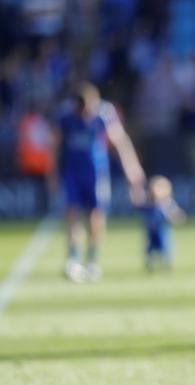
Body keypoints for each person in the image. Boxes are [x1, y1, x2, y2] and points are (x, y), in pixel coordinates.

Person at [57, 81, 145, 282]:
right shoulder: (65, 116)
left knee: (95, 216)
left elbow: (120, 141)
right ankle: (72, 257)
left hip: (97, 173)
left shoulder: (104, 114)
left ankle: (92, 260)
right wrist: (52, 173)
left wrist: (132, 168)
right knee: (71, 213)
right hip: (72, 172)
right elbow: (55, 144)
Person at [140, 175, 185, 271]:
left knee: (164, 247)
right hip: (151, 231)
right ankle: (150, 263)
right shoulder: (149, 203)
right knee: (150, 248)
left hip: (162, 230)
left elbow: (177, 213)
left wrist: (176, 217)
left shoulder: (167, 203)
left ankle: (166, 263)